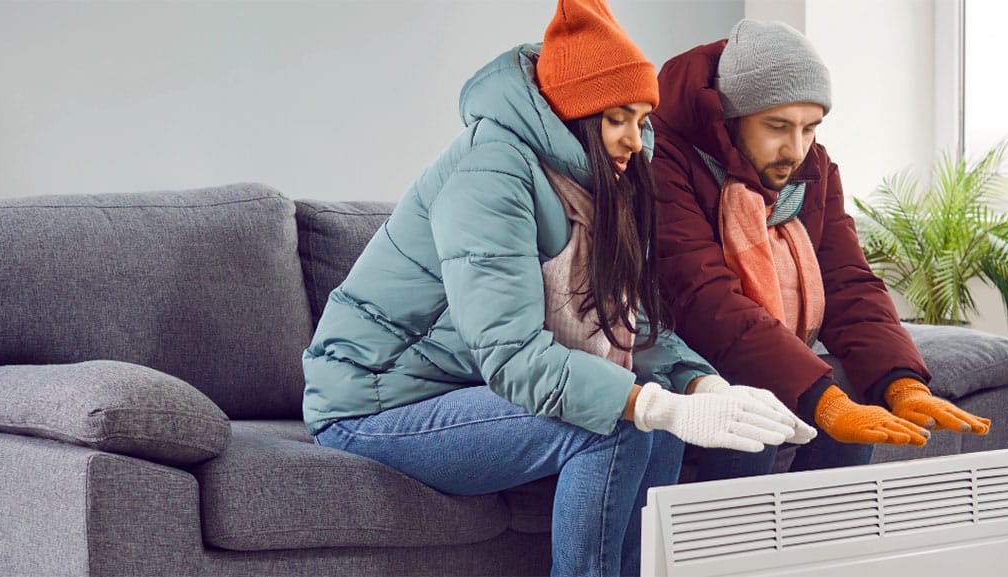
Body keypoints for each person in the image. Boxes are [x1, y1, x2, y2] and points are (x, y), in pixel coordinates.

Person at [300, 4, 813, 576]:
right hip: (377, 406)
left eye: (642, 119)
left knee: (658, 429)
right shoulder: (489, 171)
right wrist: (650, 404)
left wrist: (700, 384)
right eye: (618, 118)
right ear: (574, 113)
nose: (634, 140)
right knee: (619, 424)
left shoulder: (604, 181)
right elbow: (513, 356)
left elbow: (628, 320)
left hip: (458, 392)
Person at [648, 19, 991, 482]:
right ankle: (732, 548)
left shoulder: (814, 168)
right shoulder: (664, 159)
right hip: (687, 354)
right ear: (729, 117)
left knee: (857, 385)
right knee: (756, 404)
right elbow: (702, 297)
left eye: (810, 128)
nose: (796, 148)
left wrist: (902, 383)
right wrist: (822, 402)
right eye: (777, 126)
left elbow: (848, 280)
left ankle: (823, 545)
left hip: (768, 343)